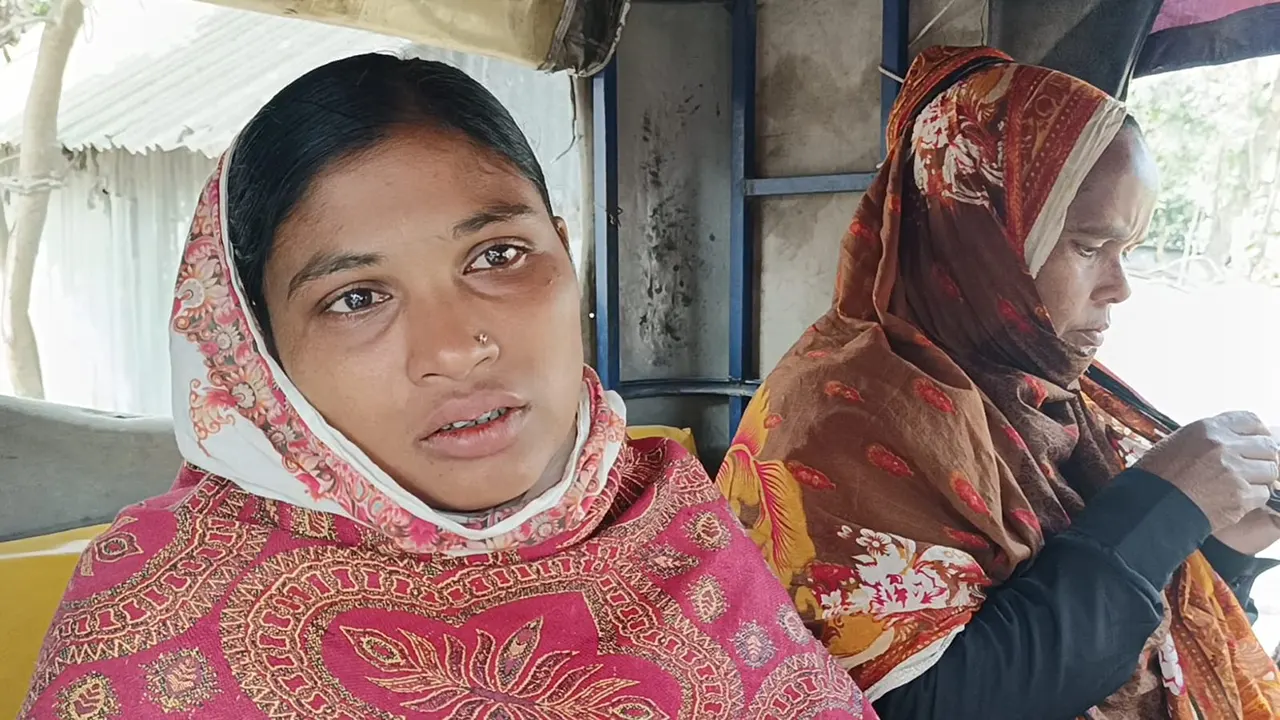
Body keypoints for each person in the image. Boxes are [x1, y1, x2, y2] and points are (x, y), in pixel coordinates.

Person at [21, 54, 873, 719]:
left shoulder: (672, 521)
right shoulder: (158, 615)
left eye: (497, 256)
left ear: (565, 252)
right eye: (356, 298)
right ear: (256, 356)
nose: (456, 349)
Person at [718, 45, 1280, 720]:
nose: (1120, 287)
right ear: (978, 234)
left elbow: (1127, 621)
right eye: (1088, 246)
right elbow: (925, 705)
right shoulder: (839, 415)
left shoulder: (1040, 391)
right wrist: (1160, 509)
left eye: (1126, 251)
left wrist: (1219, 545)